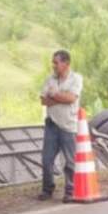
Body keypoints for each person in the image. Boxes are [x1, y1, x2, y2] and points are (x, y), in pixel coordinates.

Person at [38, 50, 83, 202]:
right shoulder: (49, 79)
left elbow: (71, 98)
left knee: (70, 161)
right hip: (52, 124)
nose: (54, 66)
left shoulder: (76, 79)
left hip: (68, 125)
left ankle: (70, 191)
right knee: (46, 160)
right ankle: (47, 189)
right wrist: (60, 96)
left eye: (56, 63)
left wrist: (54, 95)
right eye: (53, 62)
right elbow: (43, 101)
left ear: (66, 63)